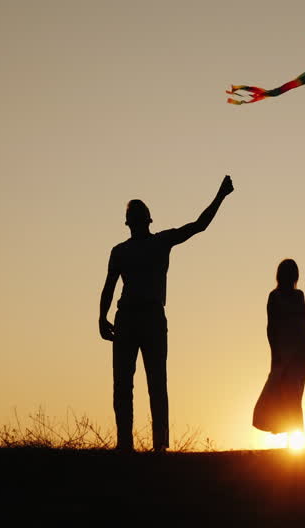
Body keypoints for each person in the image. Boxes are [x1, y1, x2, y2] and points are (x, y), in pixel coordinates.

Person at [98, 175, 234, 452]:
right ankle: (133, 444)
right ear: (140, 221)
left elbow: (199, 226)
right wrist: (101, 317)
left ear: (142, 221)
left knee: (147, 382)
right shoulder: (126, 250)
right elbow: (109, 287)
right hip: (134, 318)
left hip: (147, 318)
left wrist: (220, 196)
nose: (136, 222)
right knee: (133, 384)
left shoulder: (154, 243)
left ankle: (151, 445)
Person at [252, 258, 305, 443]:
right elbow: (271, 327)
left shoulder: (299, 296)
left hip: (300, 352)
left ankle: (297, 438)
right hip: (283, 352)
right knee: (282, 393)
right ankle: (295, 436)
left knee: (294, 394)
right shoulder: (274, 297)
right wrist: (275, 354)